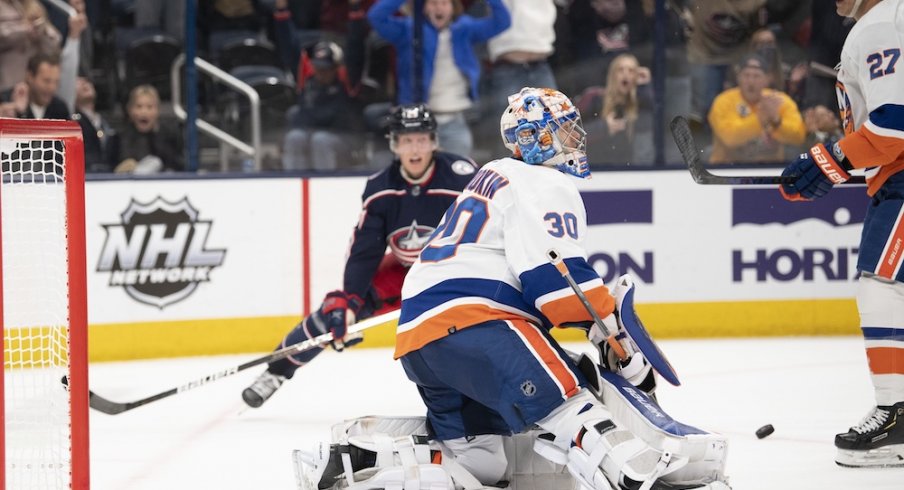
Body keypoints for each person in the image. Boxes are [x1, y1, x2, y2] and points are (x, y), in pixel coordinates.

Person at [379, 87, 728, 489]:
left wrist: (599, 328)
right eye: (563, 130)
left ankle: (383, 470)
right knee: (572, 400)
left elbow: (536, 286)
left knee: (481, 467)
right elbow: (557, 289)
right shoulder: (542, 182)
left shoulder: (493, 174)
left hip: (421, 342)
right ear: (537, 139)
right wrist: (609, 327)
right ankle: (641, 479)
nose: (576, 137)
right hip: (478, 327)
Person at [242, 104, 477, 408]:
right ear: (394, 144)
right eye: (406, 140)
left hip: (453, 274)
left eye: (421, 139)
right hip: (405, 272)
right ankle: (276, 372)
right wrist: (351, 298)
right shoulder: (380, 188)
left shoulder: (462, 178)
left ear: (433, 141)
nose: (414, 148)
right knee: (335, 311)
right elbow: (366, 248)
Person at [778, 0, 904, 468]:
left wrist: (826, 162)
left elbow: (896, 120)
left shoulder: (884, 21)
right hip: (893, 177)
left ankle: (897, 414)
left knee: (883, 286)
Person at [367, 0, 511, 157]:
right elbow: (376, 16)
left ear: (453, 7)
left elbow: (502, 21)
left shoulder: (464, 29)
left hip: (454, 120)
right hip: (415, 123)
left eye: (444, 3)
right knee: (414, 176)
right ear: (423, 6)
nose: (439, 7)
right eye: (433, 2)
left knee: (458, 175)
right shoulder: (409, 30)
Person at [708, 53, 805, 164]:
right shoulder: (723, 101)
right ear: (738, 77)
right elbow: (729, 138)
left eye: (756, 76)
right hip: (728, 168)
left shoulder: (779, 101)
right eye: (746, 75)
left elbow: (799, 137)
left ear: (767, 79)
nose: (751, 81)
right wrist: (760, 119)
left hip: (770, 170)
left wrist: (776, 121)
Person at [579, 52, 653, 165]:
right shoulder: (595, 99)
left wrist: (643, 87)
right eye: (621, 70)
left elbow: (649, 124)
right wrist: (603, 127)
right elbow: (572, 134)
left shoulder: (640, 103)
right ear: (613, 75)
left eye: (631, 71)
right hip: (595, 169)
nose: (626, 75)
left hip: (631, 171)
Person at [114, 84, 184, 173]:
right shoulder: (118, 139)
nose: (144, 112)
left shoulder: (170, 136)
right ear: (130, 110)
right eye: (138, 106)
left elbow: (180, 167)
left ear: (157, 111)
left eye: (149, 107)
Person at [0, 51, 70, 120]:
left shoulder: (60, 109)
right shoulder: (6, 100)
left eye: (56, 82)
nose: (52, 87)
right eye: (46, 81)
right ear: (30, 76)